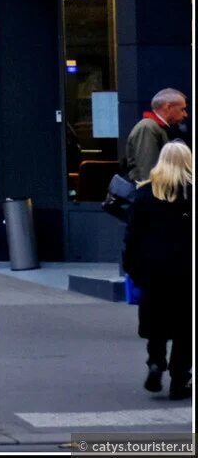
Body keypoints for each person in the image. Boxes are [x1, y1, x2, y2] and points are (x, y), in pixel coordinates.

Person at [122, 140, 192, 398]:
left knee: (157, 323)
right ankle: (179, 379)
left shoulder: (144, 194)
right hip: (186, 271)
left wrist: (131, 267)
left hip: (151, 270)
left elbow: (131, 236)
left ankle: (155, 362)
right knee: (186, 329)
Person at [126, 90, 189, 186]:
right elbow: (148, 173)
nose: (185, 114)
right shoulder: (147, 127)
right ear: (168, 107)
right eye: (182, 109)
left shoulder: (157, 127)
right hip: (152, 195)